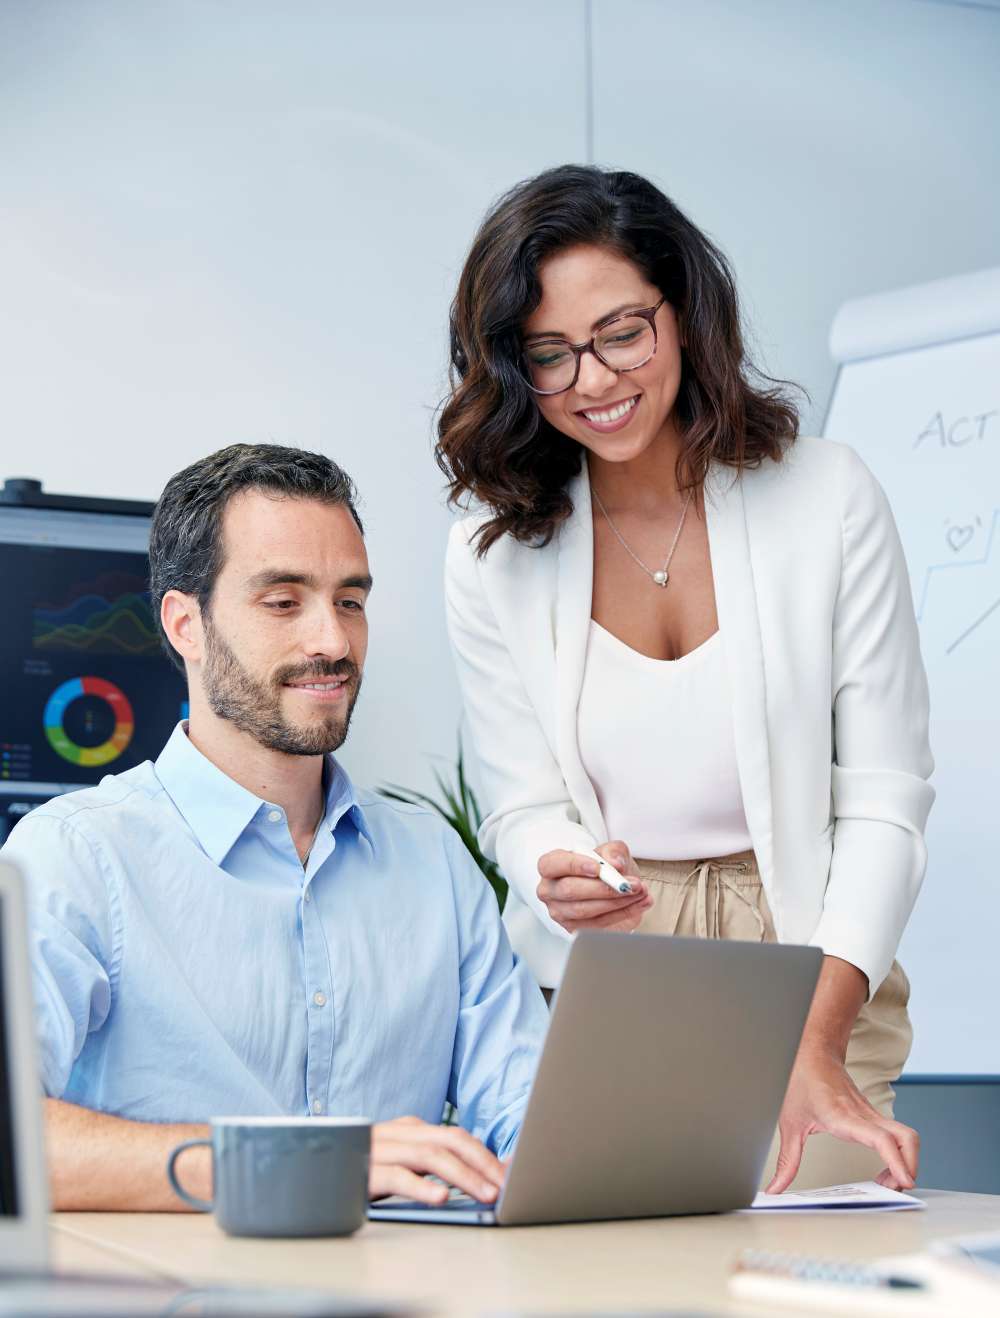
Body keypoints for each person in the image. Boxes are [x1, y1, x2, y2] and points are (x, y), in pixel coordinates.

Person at [439, 165, 934, 1193]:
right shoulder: (492, 553)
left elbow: (884, 803)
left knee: (811, 1256)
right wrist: (559, 867)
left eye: (622, 333)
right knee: (618, 1262)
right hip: (619, 975)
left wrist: (813, 1036)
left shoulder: (828, 497)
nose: (592, 380)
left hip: (812, 954)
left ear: (684, 311)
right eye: (548, 354)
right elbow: (522, 805)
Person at [2, 443, 548, 1211]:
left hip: (408, 1274)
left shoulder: (434, 862)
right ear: (186, 625)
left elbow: (532, 1126)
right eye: (284, 602)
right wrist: (294, 1164)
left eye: (350, 601)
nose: (333, 642)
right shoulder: (76, 857)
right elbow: (10, 1136)